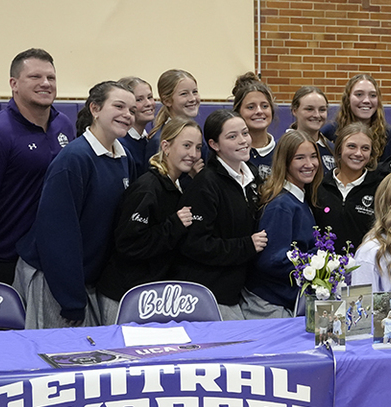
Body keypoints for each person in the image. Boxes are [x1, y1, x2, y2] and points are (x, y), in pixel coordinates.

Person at [14, 81, 137, 328]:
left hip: (86, 280)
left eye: (132, 110)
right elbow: (57, 234)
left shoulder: (125, 157)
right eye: (119, 106)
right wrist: (70, 298)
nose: (127, 115)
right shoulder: (74, 159)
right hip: (54, 280)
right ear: (95, 109)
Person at [0, 49, 73, 302]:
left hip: (52, 255)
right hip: (8, 259)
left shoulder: (64, 125)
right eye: (35, 76)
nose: (45, 83)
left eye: (51, 77)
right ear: (13, 84)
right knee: (4, 335)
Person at [95, 118, 201, 322]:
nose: (193, 154)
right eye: (186, 146)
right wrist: (174, 226)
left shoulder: (178, 185)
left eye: (197, 148)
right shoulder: (148, 188)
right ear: (166, 146)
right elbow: (129, 244)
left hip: (151, 295)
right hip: (124, 297)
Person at [172, 110, 267, 320]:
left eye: (245, 133)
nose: (243, 141)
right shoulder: (206, 184)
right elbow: (194, 244)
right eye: (232, 137)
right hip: (208, 296)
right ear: (214, 145)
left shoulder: (252, 175)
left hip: (240, 290)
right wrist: (246, 245)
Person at [246, 131, 322, 317]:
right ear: (285, 162)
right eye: (299, 158)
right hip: (270, 305)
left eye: (313, 156)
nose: (309, 164)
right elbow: (271, 260)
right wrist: (318, 262)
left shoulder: (300, 199)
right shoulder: (281, 206)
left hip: (287, 303)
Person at [313, 123, 383, 250]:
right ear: (339, 148)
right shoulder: (319, 186)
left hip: (364, 267)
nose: (358, 153)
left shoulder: (380, 188)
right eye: (351, 146)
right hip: (326, 267)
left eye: (365, 148)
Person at [322, 74, 391, 161]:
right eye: (359, 94)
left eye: (373, 95)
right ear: (348, 98)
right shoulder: (330, 132)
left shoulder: (388, 135)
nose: (366, 100)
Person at [147, 69, 201, 167]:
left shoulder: (195, 133)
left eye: (195, 92)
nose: (192, 98)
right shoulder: (159, 140)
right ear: (167, 101)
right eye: (184, 94)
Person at [232, 72, 277, 179]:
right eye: (251, 107)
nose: (259, 111)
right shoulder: (230, 153)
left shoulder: (283, 151)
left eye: (265, 106)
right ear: (238, 112)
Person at [116, 76, 155, 177]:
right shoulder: (121, 144)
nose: (148, 103)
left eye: (150, 97)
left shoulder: (149, 139)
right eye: (139, 99)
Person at [289, 86, 332, 171]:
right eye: (309, 109)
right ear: (294, 111)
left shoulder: (332, 150)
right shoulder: (280, 148)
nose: (317, 115)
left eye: (322, 110)